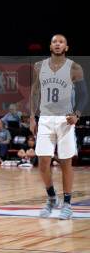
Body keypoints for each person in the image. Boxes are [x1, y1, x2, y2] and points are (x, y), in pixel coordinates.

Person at [30, 34, 88, 220]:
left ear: (66, 47)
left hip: (65, 120)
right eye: (55, 41)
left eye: (61, 42)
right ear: (50, 46)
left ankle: (68, 204)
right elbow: (34, 93)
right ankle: (51, 197)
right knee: (43, 162)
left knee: (66, 163)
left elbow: (84, 95)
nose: (57, 44)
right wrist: (32, 117)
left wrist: (77, 115)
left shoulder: (75, 67)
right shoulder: (39, 66)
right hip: (46, 119)